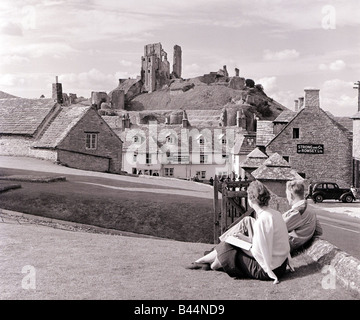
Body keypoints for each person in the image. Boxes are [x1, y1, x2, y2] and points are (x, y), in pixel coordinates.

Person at [186, 181, 290, 284]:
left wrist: (239, 246)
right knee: (231, 245)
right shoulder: (275, 214)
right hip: (281, 266)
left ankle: (202, 261)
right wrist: (242, 238)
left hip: (266, 270)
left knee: (229, 246)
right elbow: (263, 243)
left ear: (251, 200)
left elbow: (257, 254)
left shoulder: (262, 220)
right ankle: (208, 262)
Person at [283, 180, 323, 253]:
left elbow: (277, 228)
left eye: (287, 195)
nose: (287, 198)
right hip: (299, 245)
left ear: (291, 195)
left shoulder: (298, 211)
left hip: (288, 246)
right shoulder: (309, 208)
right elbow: (319, 231)